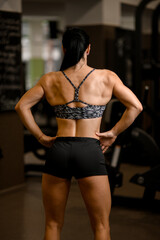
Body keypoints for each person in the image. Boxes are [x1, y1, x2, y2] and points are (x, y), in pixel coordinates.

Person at [15, 27, 143, 240]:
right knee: (101, 227)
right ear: (88, 49)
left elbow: (21, 106)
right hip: (89, 151)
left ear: (64, 49)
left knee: (53, 225)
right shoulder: (106, 77)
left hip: (59, 150)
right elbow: (136, 107)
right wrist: (113, 133)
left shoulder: (50, 79)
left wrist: (41, 137)